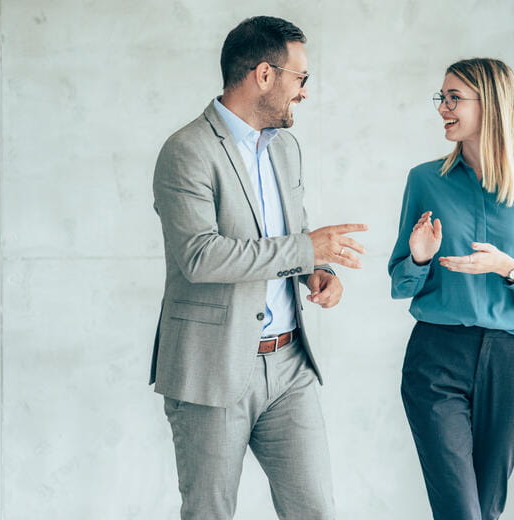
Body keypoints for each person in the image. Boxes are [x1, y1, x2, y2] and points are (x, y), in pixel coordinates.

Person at [150, 15, 366, 520]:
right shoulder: (186, 151)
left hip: (290, 366)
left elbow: (294, 241)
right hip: (213, 367)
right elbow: (201, 256)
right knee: (210, 513)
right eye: (301, 78)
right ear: (264, 76)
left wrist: (319, 273)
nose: (305, 93)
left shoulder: (285, 149)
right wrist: (303, 251)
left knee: (316, 511)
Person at [388, 58, 514, 520]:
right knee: (460, 511)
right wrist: (421, 257)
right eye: (442, 98)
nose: (443, 108)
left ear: (490, 104)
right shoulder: (425, 180)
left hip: (512, 361)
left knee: (485, 510)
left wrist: (510, 269)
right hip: (436, 357)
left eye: (454, 98)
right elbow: (400, 282)